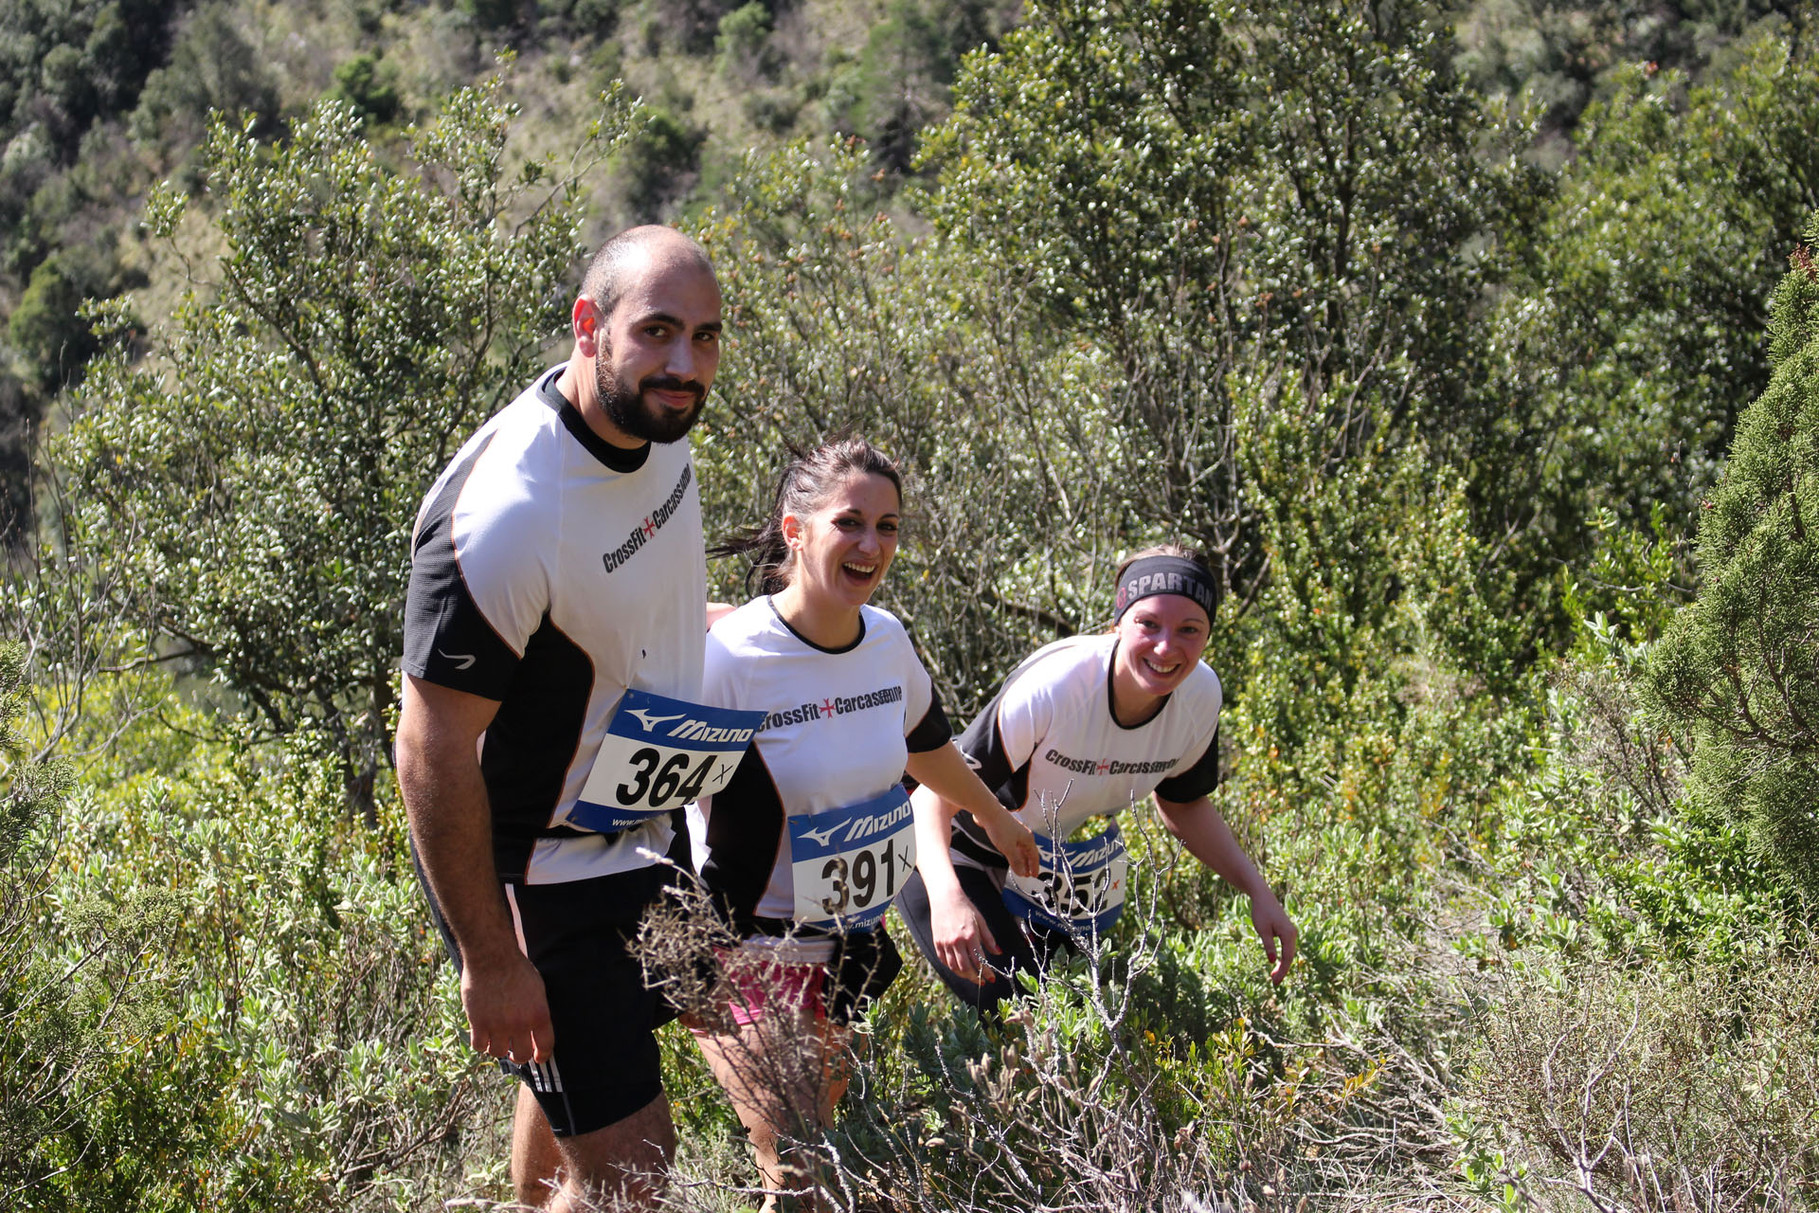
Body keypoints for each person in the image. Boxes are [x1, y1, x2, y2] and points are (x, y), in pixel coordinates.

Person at [395, 225, 727, 1213]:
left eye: (705, 337)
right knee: (637, 1172)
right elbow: (430, 744)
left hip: (641, 831)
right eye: (657, 331)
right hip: (537, 875)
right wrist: (492, 959)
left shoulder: (655, 430)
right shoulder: (509, 512)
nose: (683, 364)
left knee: (578, 1092)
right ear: (589, 327)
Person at [687, 437, 1039, 1209]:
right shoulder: (731, 656)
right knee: (798, 1160)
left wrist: (995, 815)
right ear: (795, 530)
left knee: (819, 1151)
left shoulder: (885, 640)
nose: (871, 544)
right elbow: (647, 790)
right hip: (745, 940)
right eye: (850, 521)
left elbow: (928, 749)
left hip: (844, 944)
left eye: (888, 526)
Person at [897, 544, 1297, 1013]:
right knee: (1022, 1018)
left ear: (1209, 635)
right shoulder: (1058, 686)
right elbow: (930, 798)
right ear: (1118, 622)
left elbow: (1184, 804)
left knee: (1078, 1017)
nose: (1167, 648)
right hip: (944, 852)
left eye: (1190, 630)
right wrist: (947, 899)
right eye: (1148, 624)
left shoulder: (1200, 695)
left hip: (1036, 870)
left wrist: (1258, 891)